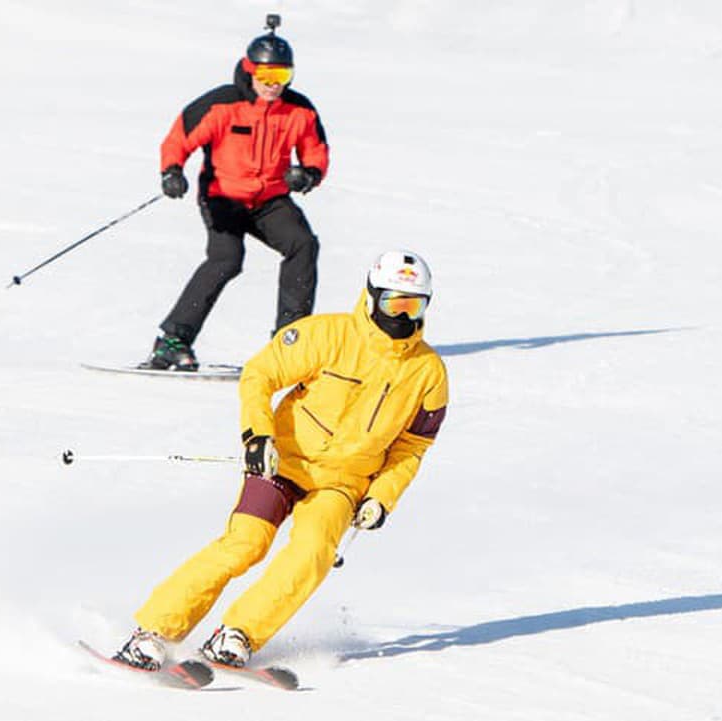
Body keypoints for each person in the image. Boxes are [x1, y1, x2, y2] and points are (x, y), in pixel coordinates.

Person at [115, 250, 449, 670]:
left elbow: (412, 447)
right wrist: (258, 435)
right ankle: (153, 633)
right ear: (371, 297)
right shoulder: (328, 335)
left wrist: (381, 497)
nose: (401, 315)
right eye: (392, 302)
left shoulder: (428, 372)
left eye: (412, 305)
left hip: (342, 484)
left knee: (313, 554)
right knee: (245, 544)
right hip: (281, 463)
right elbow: (260, 374)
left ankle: (238, 635)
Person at [142, 16, 329, 371]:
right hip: (222, 197)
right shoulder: (222, 104)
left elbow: (316, 151)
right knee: (226, 259)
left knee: (303, 244)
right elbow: (179, 137)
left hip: (269, 199)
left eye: (282, 77)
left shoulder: (299, 111)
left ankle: (290, 341)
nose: (274, 86)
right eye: (267, 77)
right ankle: (172, 340)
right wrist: (172, 172)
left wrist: (307, 175)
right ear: (250, 70)